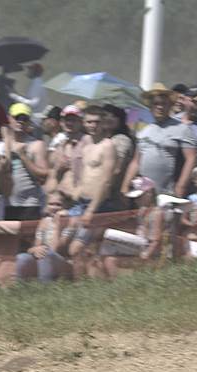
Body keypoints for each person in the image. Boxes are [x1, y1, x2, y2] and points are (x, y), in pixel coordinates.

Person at [65, 106, 120, 278]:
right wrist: (76, 192)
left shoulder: (108, 145)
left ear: (103, 123)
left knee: (77, 248)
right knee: (72, 244)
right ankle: (85, 283)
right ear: (84, 123)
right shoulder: (86, 144)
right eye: (89, 122)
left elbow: (106, 180)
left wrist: (91, 209)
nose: (93, 125)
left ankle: (82, 287)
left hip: (98, 205)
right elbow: (84, 174)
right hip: (81, 202)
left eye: (96, 122)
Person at [123, 83, 196, 197]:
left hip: (169, 193)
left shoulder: (182, 129)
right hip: (144, 194)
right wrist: (125, 184)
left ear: (170, 105)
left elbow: (191, 159)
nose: (160, 107)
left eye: (164, 104)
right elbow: (136, 162)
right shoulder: (144, 131)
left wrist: (181, 186)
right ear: (150, 107)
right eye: (156, 104)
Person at [0, 102, 47, 220]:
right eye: (17, 117)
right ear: (9, 118)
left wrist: (23, 156)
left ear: (29, 122)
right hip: (7, 205)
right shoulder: (2, 146)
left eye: (24, 118)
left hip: (29, 205)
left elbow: (43, 175)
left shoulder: (36, 145)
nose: (21, 121)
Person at [15, 193, 73, 282]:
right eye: (51, 204)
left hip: (63, 262)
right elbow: (35, 245)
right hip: (45, 256)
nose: (54, 207)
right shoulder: (44, 222)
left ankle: (45, 288)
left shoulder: (70, 223)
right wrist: (34, 250)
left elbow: (56, 249)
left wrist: (57, 225)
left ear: (65, 206)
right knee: (22, 257)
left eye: (58, 204)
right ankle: (19, 288)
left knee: (47, 254)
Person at [45, 105, 86, 199]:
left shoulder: (85, 141)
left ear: (80, 122)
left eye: (73, 120)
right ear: (62, 122)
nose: (69, 123)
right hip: (58, 192)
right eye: (67, 120)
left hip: (76, 194)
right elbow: (51, 165)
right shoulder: (57, 139)